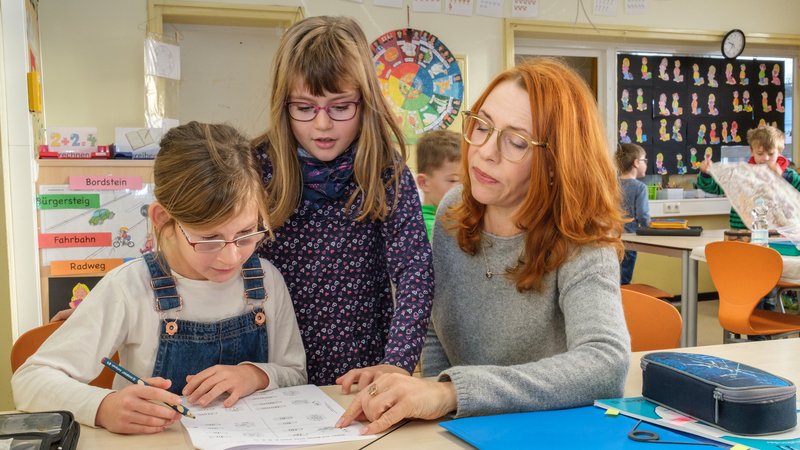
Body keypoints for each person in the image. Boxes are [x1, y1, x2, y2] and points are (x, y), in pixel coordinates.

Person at [337, 58, 631, 433]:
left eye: (516, 141)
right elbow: (436, 332)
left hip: (554, 431)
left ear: (558, 161)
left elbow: (606, 364)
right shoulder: (454, 209)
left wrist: (449, 393)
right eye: (482, 126)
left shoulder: (582, 237)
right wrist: (431, 396)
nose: (486, 151)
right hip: (468, 427)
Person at [13, 122, 307, 434]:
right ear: (163, 218)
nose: (231, 256)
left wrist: (255, 375)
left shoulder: (266, 281)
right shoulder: (129, 287)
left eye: (246, 235)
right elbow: (30, 380)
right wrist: (103, 406)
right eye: (209, 239)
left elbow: (295, 374)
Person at [252, 16, 434, 388]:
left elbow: (414, 268)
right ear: (282, 104)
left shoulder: (384, 170)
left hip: (357, 375)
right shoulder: (258, 168)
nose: (322, 125)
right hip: (269, 371)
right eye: (304, 108)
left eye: (340, 107)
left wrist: (397, 363)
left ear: (364, 102)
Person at [698, 125, 800, 229]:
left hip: (778, 236)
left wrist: (780, 179)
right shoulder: (742, 174)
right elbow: (713, 188)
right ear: (752, 151)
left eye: (771, 154)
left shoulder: (789, 176)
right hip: (742, 233)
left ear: (780, 151)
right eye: (760, 154)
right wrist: (706, 173)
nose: (765, 158)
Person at [415, 129, 462, 240]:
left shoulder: (450, 219)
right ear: (424, 183)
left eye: (467, 181)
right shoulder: (429, 229)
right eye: (453, 180)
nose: (462, 189)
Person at [615, 143, 650, 284]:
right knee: (624, 281)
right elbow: (643, 216)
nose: (646, 164)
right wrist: (652, 227)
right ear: (636, 163)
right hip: (629, 242)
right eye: (644, 160)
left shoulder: (611, 184)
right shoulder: (640, 187)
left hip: (612, 239)